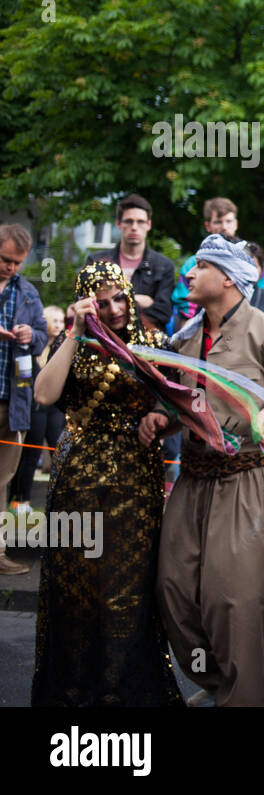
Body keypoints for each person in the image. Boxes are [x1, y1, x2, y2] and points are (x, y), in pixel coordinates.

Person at [155, 234, 264, 706]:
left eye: (199, 267)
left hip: (249, 480)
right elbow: (179, 401)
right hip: (193, 477)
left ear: (227, 278)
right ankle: (218, 685)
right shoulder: (184, 337)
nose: (188, 274)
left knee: (237, 599)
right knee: (175, 588)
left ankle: (244, 695)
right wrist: (159, 418)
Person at [29, 262, 184, 706]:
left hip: (135, 480)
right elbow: (44, 395)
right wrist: (77, 331)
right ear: (85, 302)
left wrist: (160, 419)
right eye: (102, 301)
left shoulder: (153, 343)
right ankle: (74, 692)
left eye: (120, 297)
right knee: (75, 587)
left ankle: (123, 693)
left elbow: (181, 407)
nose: (114, 309)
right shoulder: (74, 342)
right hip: (77, 476)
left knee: (126, 591)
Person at [0, 224, 49, 575]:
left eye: (17, 262)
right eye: (5, 260)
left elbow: (44, 337)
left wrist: (32, 335)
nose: (10, 268)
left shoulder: (28, 293)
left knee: (2, 478)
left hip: (12, 400)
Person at [172, 197, 264, 329]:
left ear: (236, 224)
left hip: (247, 326)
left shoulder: (250, 258)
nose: (224, 227)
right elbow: (185, 306)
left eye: (229, 221)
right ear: (208, 226)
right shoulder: (192, 263)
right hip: (202, 326)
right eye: (218, 222)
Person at [85, 194, 176, 332]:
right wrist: (135, 299)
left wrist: (116, 309)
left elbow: (163, 313)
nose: (134, 227)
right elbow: (86, 305)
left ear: (148, 225)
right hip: (105, 340)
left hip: (148, 345)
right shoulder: (96, 262)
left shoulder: (163, 266)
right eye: (128, 221)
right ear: (118, 223)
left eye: (140, 222)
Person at [8, 305, 65, 516]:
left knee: (59, 452)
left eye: (61, 321)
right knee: (30, 455)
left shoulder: (63, 348)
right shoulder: (30, 347)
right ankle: (20, 499)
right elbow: (21, 378)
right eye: (55, 321)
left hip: (55, 408)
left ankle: (61, 500)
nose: (59, 325)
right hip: (35, 408)